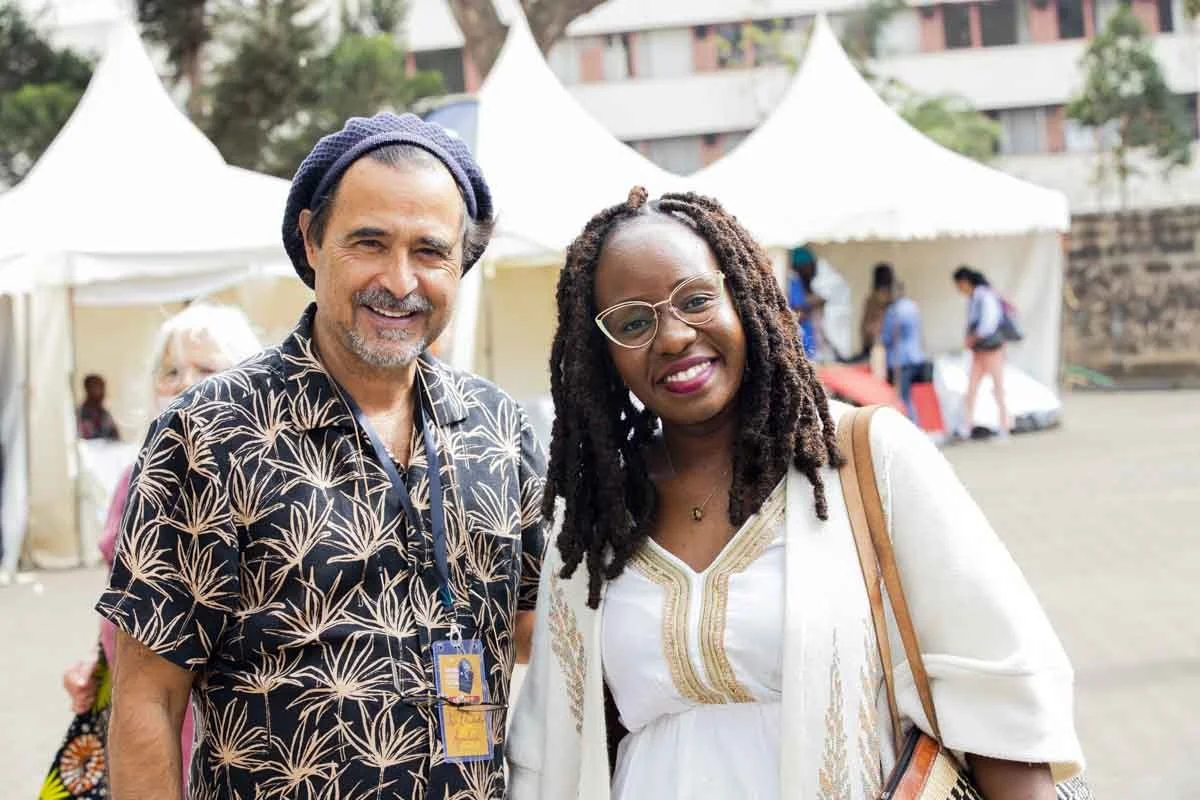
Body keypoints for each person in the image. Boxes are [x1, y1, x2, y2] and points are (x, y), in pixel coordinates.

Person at [508, 188, 1083, 800]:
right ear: (602, 354)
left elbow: (998, 700)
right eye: (632, 322)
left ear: (744, 295)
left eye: (696, 299)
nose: (673, 337)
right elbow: (551, 752)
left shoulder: (866, 457)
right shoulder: (598, 518)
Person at [97, 113, 547, 799]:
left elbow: (542, 636)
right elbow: (147, 699)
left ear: (462, 263)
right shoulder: (210, 432)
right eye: (369, 243)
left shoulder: (499, 428)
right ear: (311, 240)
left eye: (430, 252)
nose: (399, 282)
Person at [51, 303, 261, 800]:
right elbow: (129, 599)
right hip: (139, 712)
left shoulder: (260, 483)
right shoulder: (133, 478)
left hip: (215, 726)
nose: (185, 384)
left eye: (207, 370)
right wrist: (97, 664)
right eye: (171, 372)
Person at [953, 265, 1010, 439]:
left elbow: (988, 325)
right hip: (979, 350)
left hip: (991, 349)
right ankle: (967, 426)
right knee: (971, 388)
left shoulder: (984, 297)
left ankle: (1004, 426)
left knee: (997, 388)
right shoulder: (974, 299)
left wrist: (973, 338)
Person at [879, 278, 926, 423]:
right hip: (915, 356)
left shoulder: (894, 311)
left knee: (902, 397)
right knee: (909, 396)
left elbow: (887, 336)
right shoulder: (912, 306)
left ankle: (911, 426)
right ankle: (915, 424)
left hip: (901, 359)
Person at [77, 374, 119, 441]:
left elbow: (115, 438)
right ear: (88, 389)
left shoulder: (105, 414)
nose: (102, 393)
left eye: (102, 388)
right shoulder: (80, 414)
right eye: (97, 388)